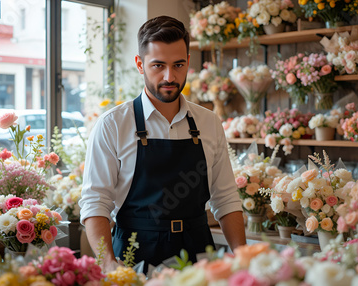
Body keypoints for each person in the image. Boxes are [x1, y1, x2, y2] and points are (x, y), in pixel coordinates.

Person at [79, 15, 246, 273]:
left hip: (199, 256)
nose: (170, 76)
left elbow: (225, 198)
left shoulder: (209, 122)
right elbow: (95, 202)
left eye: (178, 65)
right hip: (133, 257)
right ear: (140, 64)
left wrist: (244, 257)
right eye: (158, 65)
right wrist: (108, 263)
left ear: (189, 62)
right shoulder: (113, 124)